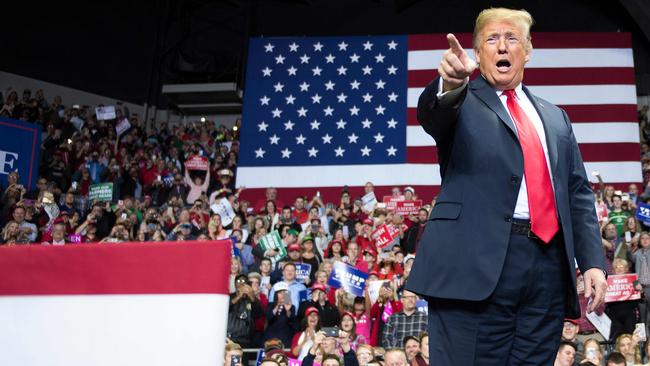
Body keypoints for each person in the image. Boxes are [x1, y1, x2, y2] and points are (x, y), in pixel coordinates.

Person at [406, 7, 607, 365]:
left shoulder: (555, 116)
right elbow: (433, 114)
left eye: (511, 38)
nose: (502, 47)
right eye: (491, 39)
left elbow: (577, 191)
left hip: (546, 268)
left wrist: (592, 262)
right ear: (477, 52)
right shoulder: (461, 98)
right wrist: (450, 84)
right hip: (474, 268)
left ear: (527, 50)